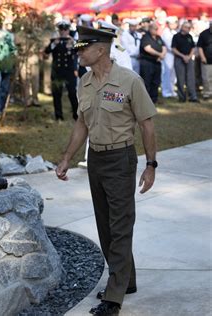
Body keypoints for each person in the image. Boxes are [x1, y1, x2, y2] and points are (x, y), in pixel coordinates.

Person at [56, 25, 158, 316]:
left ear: (100, 50)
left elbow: (147, 124)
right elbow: (81, 124)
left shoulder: (129, 81)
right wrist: (66, 157)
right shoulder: (84, 82)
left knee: (121, 225)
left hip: (121, 159)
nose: (78, 52)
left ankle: (114, 296)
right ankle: (128, 281)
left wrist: (151, 165)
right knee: (106, 226)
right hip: (96, 161)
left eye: (82, 48)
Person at [44, 20, 79, 121]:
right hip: (57, 71)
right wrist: (54, 44)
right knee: (57, 94)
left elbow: (80, 50)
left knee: (72, 93)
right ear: (59, 30)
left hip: (69, 71)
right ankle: (58, 115)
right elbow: (47, 51)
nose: (63, 31)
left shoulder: (73, 41)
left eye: (65, 29)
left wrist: (73, 43)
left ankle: (76, 115)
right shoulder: (54, 41)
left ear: (68, 30)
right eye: (61, 29)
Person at [0, 21, 17, 114]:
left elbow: (13, 50)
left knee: (4, 88)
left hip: (8, 65)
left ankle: (1, 108)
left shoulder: (11, 36)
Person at [172, 21, 199, 102]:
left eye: (189, 28)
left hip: (189, 58)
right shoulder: (176, 36)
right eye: (187, 27)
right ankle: (182, 97)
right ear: (183, 27)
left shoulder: (189, 36)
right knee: (180, 79)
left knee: (191, 78)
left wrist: (189, 56)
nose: (188, 29)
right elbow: (173, 49)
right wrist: (183, 56)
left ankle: (192, 97)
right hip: (179, 59)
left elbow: (193, 48)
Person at [139, 23, 166, 103]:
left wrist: (162, 55)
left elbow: (164, 47)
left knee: (156, 81)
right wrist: (159, 54)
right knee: (147, 81)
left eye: (157, 29)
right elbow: (147, 48)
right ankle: (146, 100)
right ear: (150, 29)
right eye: (155, 29)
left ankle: (154, 98)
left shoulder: (158, 37)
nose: (157, 30)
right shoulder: (145, 37)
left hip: (157, 62)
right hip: (147, 62)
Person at [161, 17, 179, 98]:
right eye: (173, 23)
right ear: (169, 24)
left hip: (175, 54)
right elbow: (169, 45)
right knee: (167, 73)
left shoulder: (174, 32)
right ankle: (166, 91)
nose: (175, 25)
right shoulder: (166, 32)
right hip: (168, 54)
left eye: (175, 23)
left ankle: (171, 90)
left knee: (173, 74)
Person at [197, 21, 212, 99]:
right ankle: (207, 93)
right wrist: (202, 57)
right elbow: (199, 47)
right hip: (206, 59)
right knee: (206, 78)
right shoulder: (203, 34)